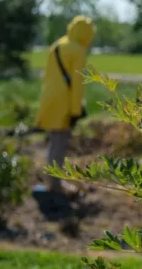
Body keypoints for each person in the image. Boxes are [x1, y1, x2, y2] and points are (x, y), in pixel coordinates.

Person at [35, 15, 96, 193]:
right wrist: (76, 111)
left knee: (54, 142)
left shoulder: (57, 45)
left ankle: (53, 183)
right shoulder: (78, 50)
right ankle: (55, 186)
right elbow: (77, 85)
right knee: (60, 144)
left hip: (49, 100)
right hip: (65, 102)